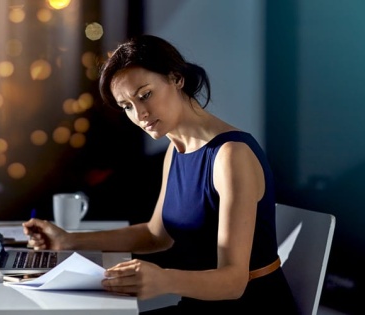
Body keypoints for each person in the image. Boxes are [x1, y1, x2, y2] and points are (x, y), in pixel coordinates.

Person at [23, 34, 298, 314]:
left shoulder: (231, 154)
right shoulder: (176, 149)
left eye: (145, 95)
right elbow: (156, 235)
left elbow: (234, 282)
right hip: (202, 304)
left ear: (176, 78)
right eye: (127, 106)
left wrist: (164, 279)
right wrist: (69, 240)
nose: (140, 114)